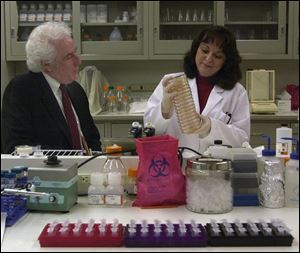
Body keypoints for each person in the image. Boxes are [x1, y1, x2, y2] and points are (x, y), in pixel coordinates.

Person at [144, 25, 250, 154]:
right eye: (205, 50)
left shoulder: (237, 93)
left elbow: (243, 139)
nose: (209, 58)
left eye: (217, 56)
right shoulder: (171, 82)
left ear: (226, 61)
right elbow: (150, 130)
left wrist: (212, 127)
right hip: (175, 163)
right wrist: (164, 111)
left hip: (215, 166)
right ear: (196, 50)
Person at [1, 22, 102, 154]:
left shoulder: (75, 90)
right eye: (69, 56)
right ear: (47, 64)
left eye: (75, 52)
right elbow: (18, 149)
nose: (79, 61)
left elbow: (92, 139)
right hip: (48, 172)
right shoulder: (22, 89)